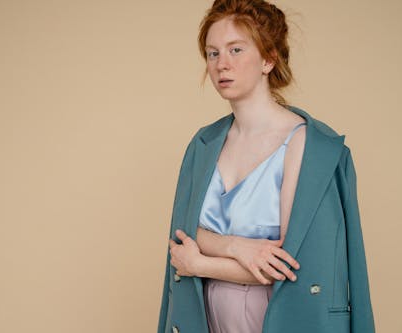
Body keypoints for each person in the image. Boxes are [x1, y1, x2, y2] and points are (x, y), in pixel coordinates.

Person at [158, 1, 375, 333]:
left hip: (278, 318)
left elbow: (287, 266)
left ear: (269, 58)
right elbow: (182, 235)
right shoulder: (203, 144)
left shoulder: (303, 144)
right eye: (213, 53)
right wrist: (237, 247)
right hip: (204, 319)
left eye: (236, 50)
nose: (221, 65)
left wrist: (200, 262)